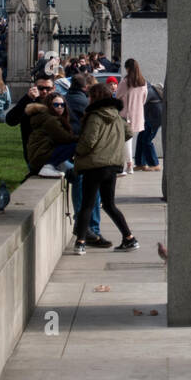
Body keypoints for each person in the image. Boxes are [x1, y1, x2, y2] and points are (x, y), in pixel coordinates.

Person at [72, 80, 138, 254]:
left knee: (87, 204)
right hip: (112, 167)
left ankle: (80, 242)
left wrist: (77, 151)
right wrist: (112, 145)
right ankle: (129, 238)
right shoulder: (117, 116)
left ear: (95, 97)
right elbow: (129, 133)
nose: (88, 99)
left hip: (95, 166)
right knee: (109, 204)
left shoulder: (95, 116)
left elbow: (89, 141)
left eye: (90, 96)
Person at [66, 74, 107, 248]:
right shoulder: (92, 110)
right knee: (94, 197)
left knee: (88, 195)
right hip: (92, 158)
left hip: (76, 152)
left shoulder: (67, 100)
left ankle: (83, 230)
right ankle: (91, 231)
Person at [25, 93, 77, 177]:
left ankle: (53, 165)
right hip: (40, 158)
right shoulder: (50, 120)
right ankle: (49, 167)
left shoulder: (47, 117)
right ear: (49, 105)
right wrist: (83, 138)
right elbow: (64, 138)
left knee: (77, 174)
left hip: (39, 156)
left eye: (62, 105)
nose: (60, 107)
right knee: (75, 144)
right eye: (56, 105)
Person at [6, 79, 57, 163]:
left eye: (48, 88)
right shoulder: (28, 104)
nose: (44, 91)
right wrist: (27, 98)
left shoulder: (59, 104)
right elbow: (10, 120)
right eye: (41, 88)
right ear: (35, 88)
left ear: (53, 88)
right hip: (34, 155)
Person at [116, 58, 147, 176]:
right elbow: (144, 99)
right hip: (138, 115)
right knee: (129, 140)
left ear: (127, 68)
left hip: (125, 115)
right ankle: (129, 165)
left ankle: (129, 165)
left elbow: (118, 95)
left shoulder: (125, 82)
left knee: (126, 141)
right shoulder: (143, 82)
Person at [135, 79, 163, 171]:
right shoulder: (147, 89)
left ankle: (155, 164)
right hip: (149, 119)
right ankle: (140, 163)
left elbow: (138, 103)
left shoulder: (149, 91)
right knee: (141, 138)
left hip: (154, 120)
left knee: (147, 140)